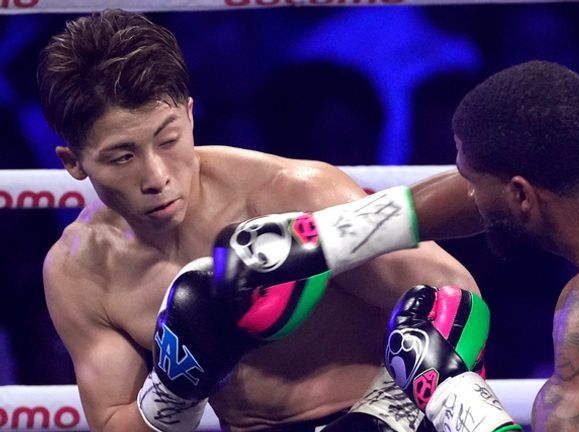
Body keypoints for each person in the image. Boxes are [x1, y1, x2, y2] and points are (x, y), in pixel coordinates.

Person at [38, 9, 479, 432]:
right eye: (123, 156)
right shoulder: (80, 271)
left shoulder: (288, 193)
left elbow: (457, 299)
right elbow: (115, 423)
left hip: (381, 410)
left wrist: (384, 419)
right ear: (74, 163)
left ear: (191, 115)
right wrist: (174, 388)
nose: (156, 176)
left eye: (168, 139)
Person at [267, 60, 579, 431]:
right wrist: (327, 238)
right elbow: (487, 191)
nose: (464, 191)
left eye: (470, 177)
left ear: (521, 194)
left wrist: (453, 397)